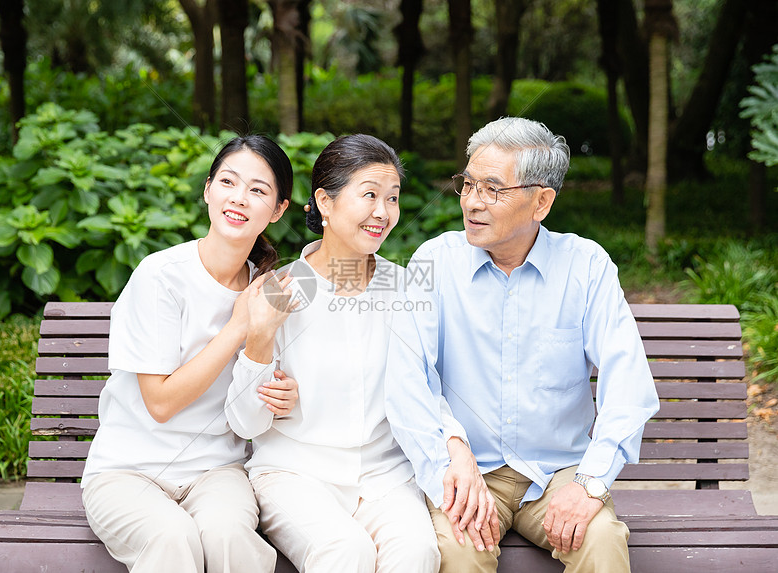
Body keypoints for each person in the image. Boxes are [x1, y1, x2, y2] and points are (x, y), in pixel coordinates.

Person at [385, 117, 661, 572]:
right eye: (467, 185)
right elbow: (409, 381)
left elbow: (629, 387)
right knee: (456, 551)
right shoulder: (434, 261)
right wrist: (450, 461)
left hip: (558, 473)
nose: (472, 203)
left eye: (493, 189)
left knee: (601, 540)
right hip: (468, 472)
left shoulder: (585, 265)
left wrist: (589, 485)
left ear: (542, 202)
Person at [81, 135, 300, 573]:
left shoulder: (271, 289)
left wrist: (285, 392)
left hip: (218, 472)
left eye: (258, 190)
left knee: (229, 537)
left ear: (278, 210)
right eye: (228, 182)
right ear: (207, 190)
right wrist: (239, 324)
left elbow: (262, 391)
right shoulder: (160, 276)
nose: (238, 198)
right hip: (127, 472)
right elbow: (160, 403)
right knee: (172, 538)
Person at [225, 134, 442, 573]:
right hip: (295, 474)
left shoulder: (404, 287)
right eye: (369, 195)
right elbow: (245, 422)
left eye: (392, 198)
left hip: (385, 478)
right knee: (345, 552)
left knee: (418, 552)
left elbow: (427, 392)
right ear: (324, 202)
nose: (383, 212)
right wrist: (261, 341)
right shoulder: (281, 288)